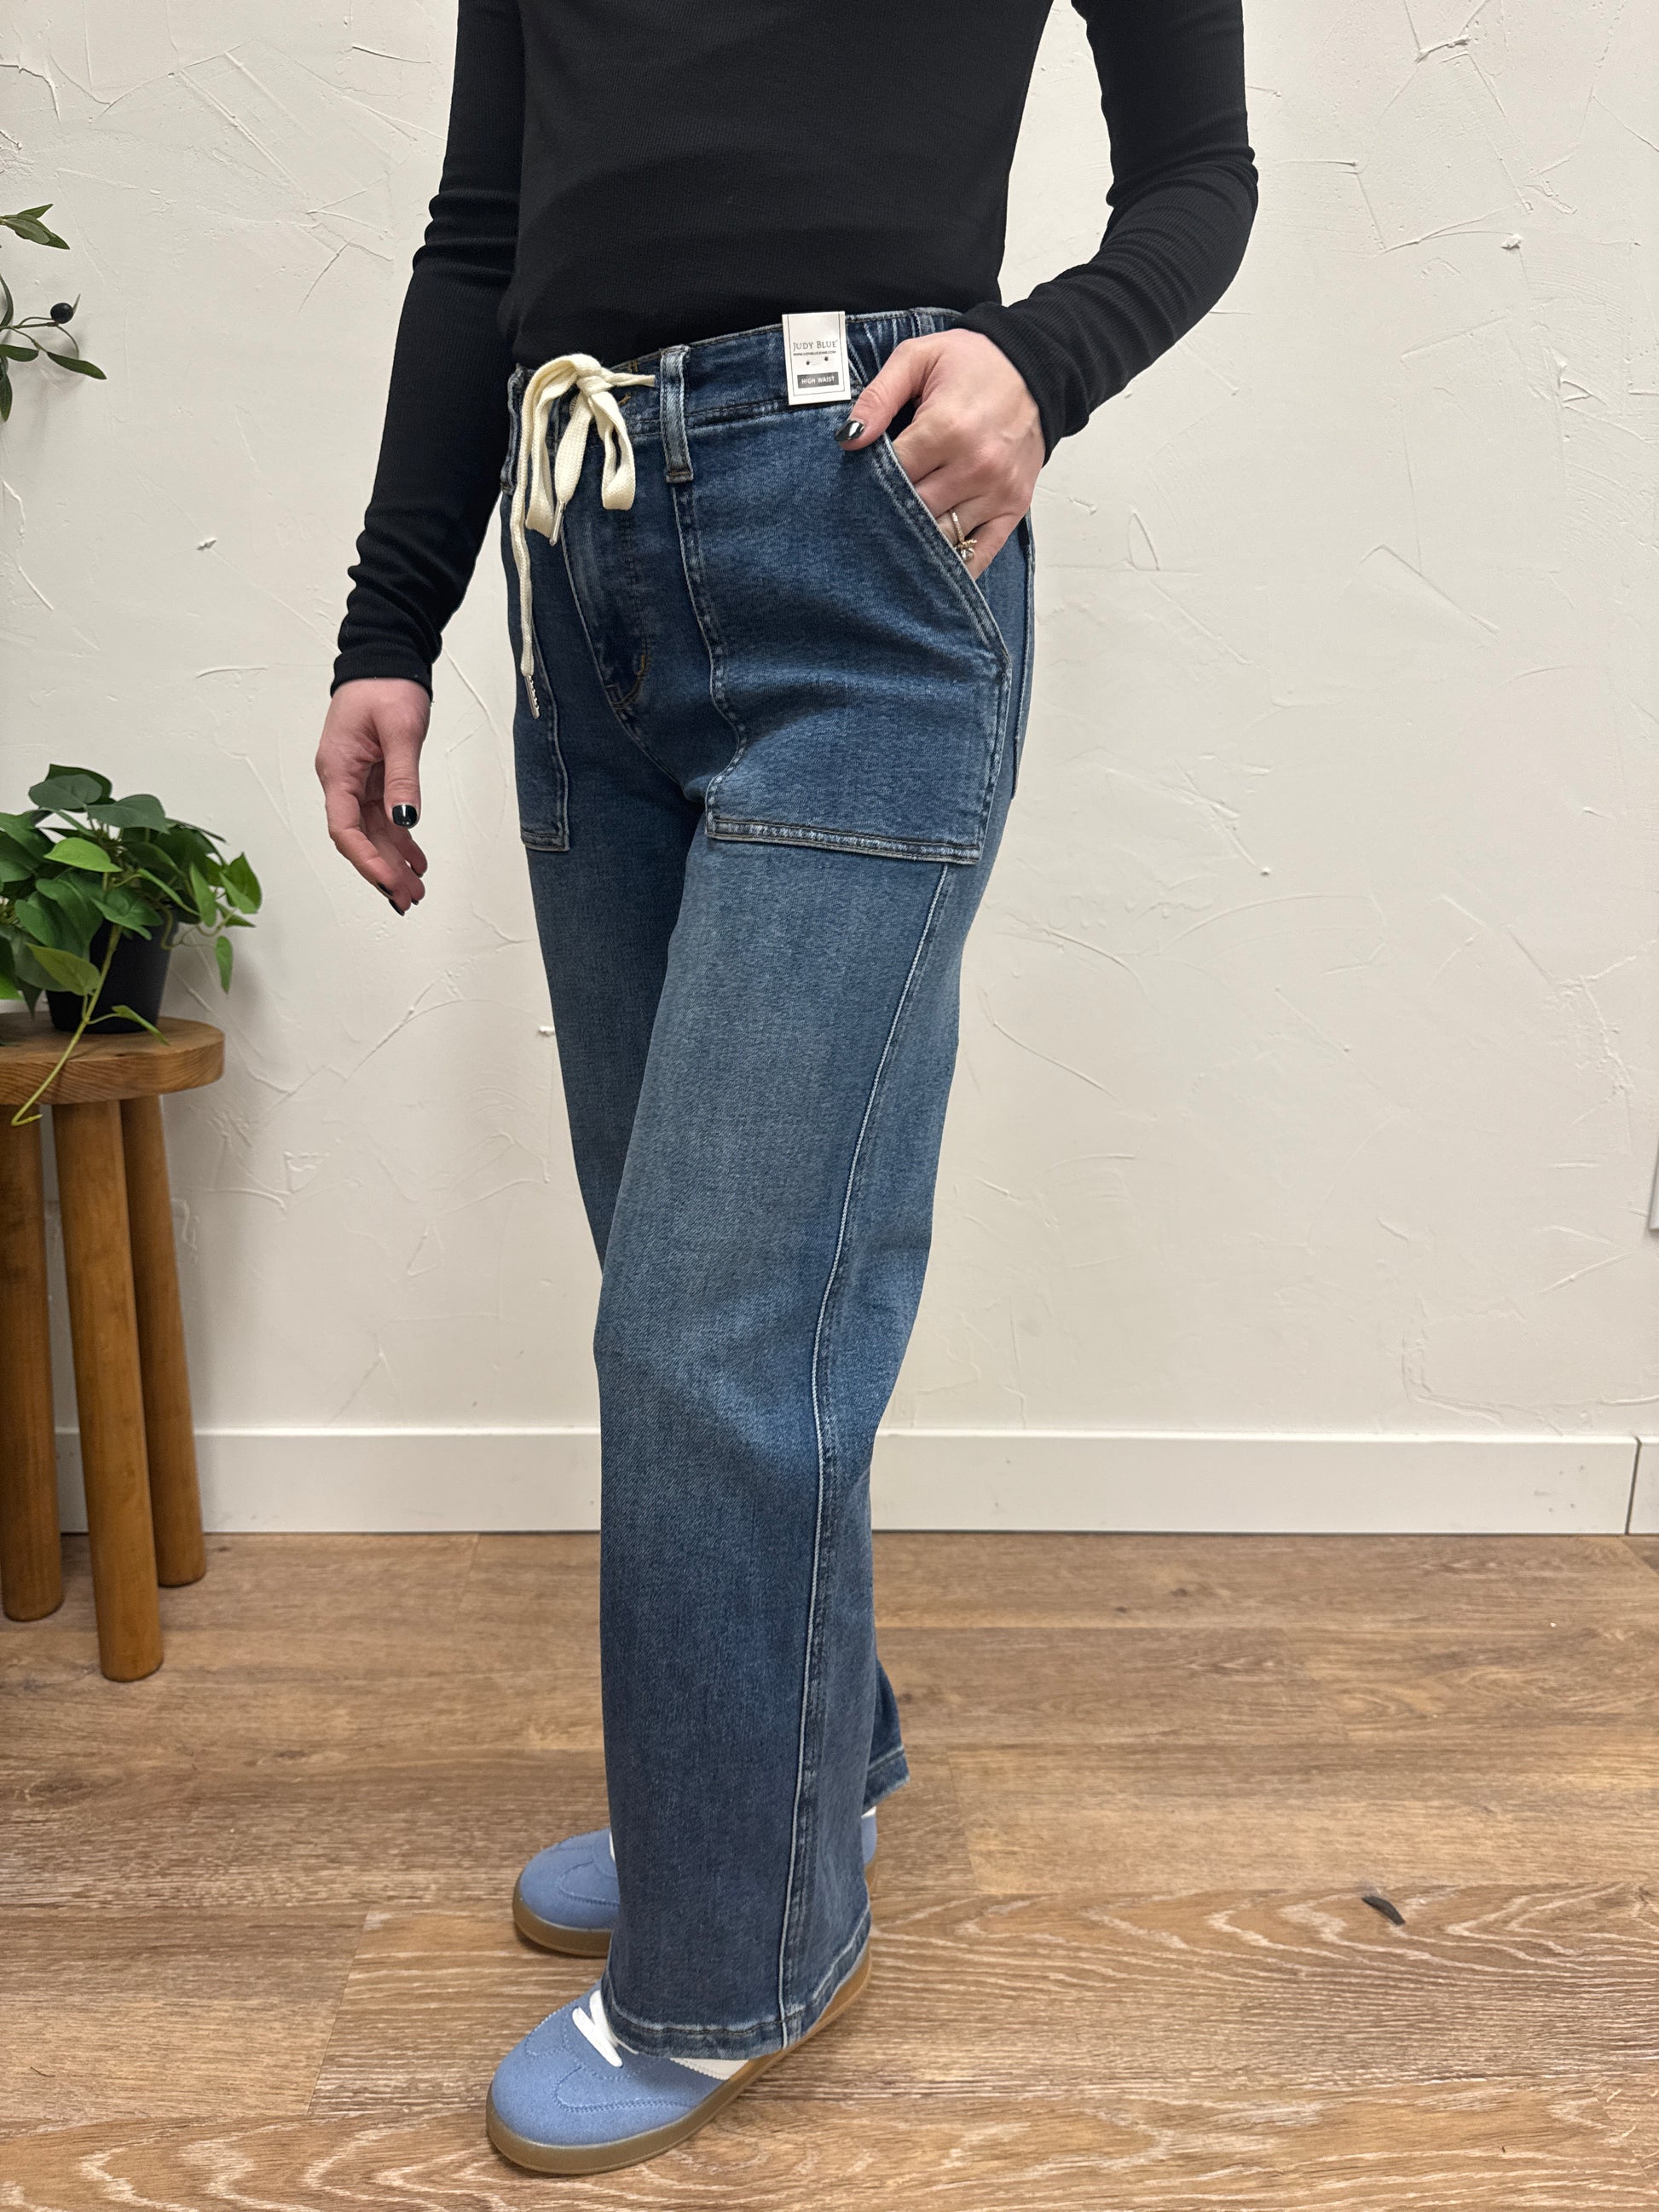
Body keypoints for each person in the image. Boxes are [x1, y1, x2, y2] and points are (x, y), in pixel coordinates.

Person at [316, 0, 1256, 2175]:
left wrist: (1046, 361)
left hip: (859, 532)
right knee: (698, 1279)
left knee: (710, 1322)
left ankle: (740, 1947)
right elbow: (482, 237)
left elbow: (1199, 180)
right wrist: (390, 623)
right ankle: (780, 1776)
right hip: (579, 556)